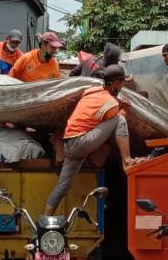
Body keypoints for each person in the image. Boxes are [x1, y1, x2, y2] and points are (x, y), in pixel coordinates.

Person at [44, 65, 143, 215]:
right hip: (81, 142)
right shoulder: (111, 103)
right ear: (116, 83)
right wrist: (125, 109)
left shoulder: (92, 91)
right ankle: (127, 160)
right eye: (122, 83)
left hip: (70, 144)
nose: (123, 86)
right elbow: (117, 120)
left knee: (64, 185)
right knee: (119, 120)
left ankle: (46, 219)